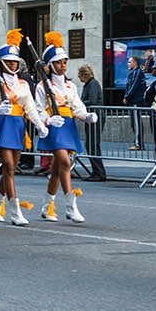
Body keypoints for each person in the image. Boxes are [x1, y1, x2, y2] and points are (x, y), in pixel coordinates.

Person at [0, 30, 49, 226]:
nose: (14, 64)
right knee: (10, 167)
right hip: (2, 125)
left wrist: (39, 125)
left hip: (18, 125)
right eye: (10, 61)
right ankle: (15, 211)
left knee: (10, 169)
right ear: (2, 62)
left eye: (15, 62)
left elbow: (29, 107)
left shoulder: (22, 83)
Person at [34, 33, 97, 223]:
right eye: (59, 62)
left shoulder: (70, 86)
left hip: (68, 126)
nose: (63, 66)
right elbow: (37, 109)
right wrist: (48, 120)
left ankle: (47, 206)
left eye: (65, 62)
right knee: (65, 162)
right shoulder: (42, 86)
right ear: (50, 65)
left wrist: (86, 115)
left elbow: (76, 106)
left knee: (57, 168)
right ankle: (71, 205)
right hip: (54, 126)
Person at [77, 64, 106, 180]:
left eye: (80, 76)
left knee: (93, 145)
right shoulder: (89, 84)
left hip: (96, 117)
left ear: (85, 75)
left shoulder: (93, 84)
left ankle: (99, 173)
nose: (79, 78)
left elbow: (92, 100)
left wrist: (80, 104)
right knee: (91, 144)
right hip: (91, 116)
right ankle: (96, 171)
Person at [124, 55, 147, 150]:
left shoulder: (138, 72)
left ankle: (138, 144)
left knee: (136, 122)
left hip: (136, 100)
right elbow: (128, 85)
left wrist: (127, 96)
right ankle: (137, 142)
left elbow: (134, 86)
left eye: (130, 62)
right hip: (132, 100)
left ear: (135, 63)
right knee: (134, 122)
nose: (128, 64)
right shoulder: (132, 73)